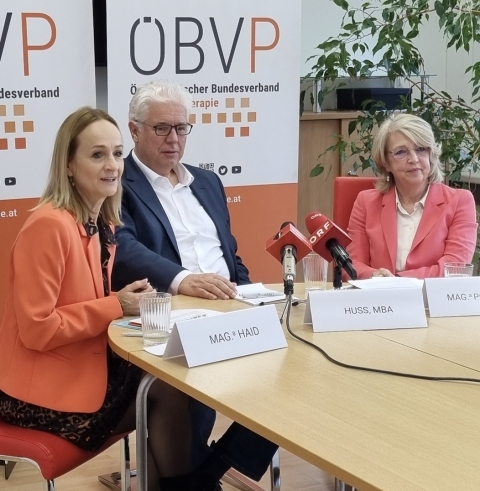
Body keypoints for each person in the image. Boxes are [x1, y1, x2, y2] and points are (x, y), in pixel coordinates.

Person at [0, 107, 212, 491]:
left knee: (173, 380)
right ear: (68, 165)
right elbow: (37, 329)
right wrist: (117, 304)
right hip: (36, 394)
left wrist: (124, 306)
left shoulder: (99, 223)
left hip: (83, 367)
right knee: (167, 391)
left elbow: (85, 306)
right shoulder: (49, 225)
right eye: (97, 155)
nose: (112, 164)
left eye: (116, 153)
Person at [112, 80, 278, 489]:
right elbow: (123, 250)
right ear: (134, 130)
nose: (174, 139)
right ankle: (197, 477)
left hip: (228, 306)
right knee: (184, 388)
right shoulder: (117, 182)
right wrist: (185, 281)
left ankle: (204, 477)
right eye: (162, 129)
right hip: (168, 315)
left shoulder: (207, 182)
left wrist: (252, 298)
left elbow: (229, 256)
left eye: (181, 129)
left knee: (293, 376)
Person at [347, 113, 478, 279]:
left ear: (431, 154)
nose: (414, 159)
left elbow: (455, 267)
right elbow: (350, 265)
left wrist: (398, 282)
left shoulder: (460, 201)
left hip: (432, 302)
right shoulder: (365, 202)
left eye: (421, 149)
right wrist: (376, 277)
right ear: (385, 162)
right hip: (380, 301)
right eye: (401, 152)